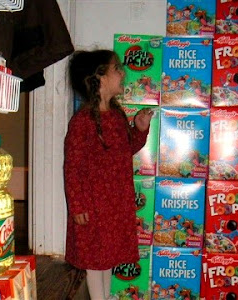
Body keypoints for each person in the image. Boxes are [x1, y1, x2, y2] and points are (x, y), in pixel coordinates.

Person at [64, 49, 153, 300]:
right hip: (93, 204)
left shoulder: (117, 114)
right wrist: (78, 204)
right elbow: (72, 166)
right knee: (95, 258)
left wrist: (140, 130)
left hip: (115, 202)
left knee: (107, 257)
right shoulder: (82, 122)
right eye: (117, 68)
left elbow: (126, 149)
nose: (123, 73)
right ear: (100, 77)